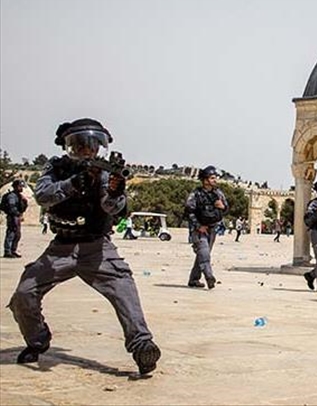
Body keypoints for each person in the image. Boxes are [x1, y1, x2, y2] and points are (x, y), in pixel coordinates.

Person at [7, 118, 160, 374]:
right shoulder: (56, 168)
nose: (87, 151)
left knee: (124, 290)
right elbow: (43, 196)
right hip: (60, 248)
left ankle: (142, 345)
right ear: (71, 146)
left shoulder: (104, 173)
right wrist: (72, 184)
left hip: (97, 247)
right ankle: (37, 340)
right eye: (81, 145)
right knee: (24, 294)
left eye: (92, 146)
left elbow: (112, 209)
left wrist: (115, 193)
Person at [184, 165, 229, 289]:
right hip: (199, 230)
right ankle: (209, 276)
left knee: (203, 254)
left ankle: (194, 279)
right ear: (205, 180)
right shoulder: (196, 194)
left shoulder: (218, 194)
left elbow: (226, 208)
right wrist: (198, 226)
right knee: (204, 253)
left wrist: (222, 207)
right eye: (212, 178)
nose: (215, 180)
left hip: (212, 229)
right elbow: (189, 211)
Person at [2, 179, 28, 258]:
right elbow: (11, 207)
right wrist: (17, 215)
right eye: (20, 186)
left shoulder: (19, 196)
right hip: (12, 217)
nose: (22, 188)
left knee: (17, 234)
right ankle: (8, 251)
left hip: (17, 217)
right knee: (11, 233)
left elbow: (22, 207)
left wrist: (25, 202)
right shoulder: (12, 196)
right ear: (16, 187)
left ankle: (13, 250)